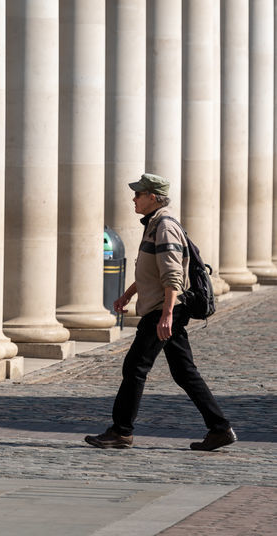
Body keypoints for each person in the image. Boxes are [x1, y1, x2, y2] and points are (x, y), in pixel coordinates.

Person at [85, 173, 237, 452]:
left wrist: (167, 314)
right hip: (165, 309)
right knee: (184, 372)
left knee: (135, 368)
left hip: (164, 310)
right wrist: (128, 294)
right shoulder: (156, 223)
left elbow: (172, 276)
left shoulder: (164, 226)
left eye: (138, 194)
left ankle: (121, 431)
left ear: (153, 197)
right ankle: (220, 428)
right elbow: (152, 272)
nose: (134, 198)